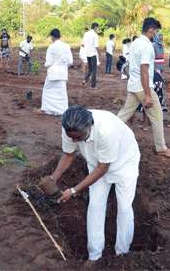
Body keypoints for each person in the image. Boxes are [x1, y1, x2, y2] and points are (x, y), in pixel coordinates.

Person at [46, 106, 140, 265]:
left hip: (124, 163)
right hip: (96, 162)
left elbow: (103, 168)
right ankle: (94, 256)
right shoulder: (70, 127)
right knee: (95, 205)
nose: (74, 141)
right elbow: (69, 154)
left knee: (124, 208)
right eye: (72, 138)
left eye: (78, 138)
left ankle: (122, 255)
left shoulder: (106, 130)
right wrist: (53, 178)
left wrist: (74, 190)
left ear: (89, 127)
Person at [117, 17, 170, 158]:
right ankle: (161, 148)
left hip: (133, 85)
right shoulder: (146, 46)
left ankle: (106, 132)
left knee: (124, 114)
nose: (157, 34)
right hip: (143, 87)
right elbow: (144, 71)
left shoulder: (135, 43)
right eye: (156, 31)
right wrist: (148, 95)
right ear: (151, 30)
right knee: (157, 116)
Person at [40, 29, 73, 116]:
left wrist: (45, 65)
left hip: (53, 73)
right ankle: (62, 110)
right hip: (62, 73)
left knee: (47, 91)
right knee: (61, 93)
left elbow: (49, 62)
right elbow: (70, 61)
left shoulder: (51, 47)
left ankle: (48, 109)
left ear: (52, 37)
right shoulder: (66, 46)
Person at [82, 22, 99, 89]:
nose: (98, 29)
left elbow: (83, 44)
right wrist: (100, 53)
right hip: (93, 54)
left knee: (90, 69)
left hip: (87, 54)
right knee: (94, 70)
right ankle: (93, 85)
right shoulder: (95, 35)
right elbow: (96, 46)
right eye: (97, 27)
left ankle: (85, 80)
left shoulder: (86, 34)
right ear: (95, 27)